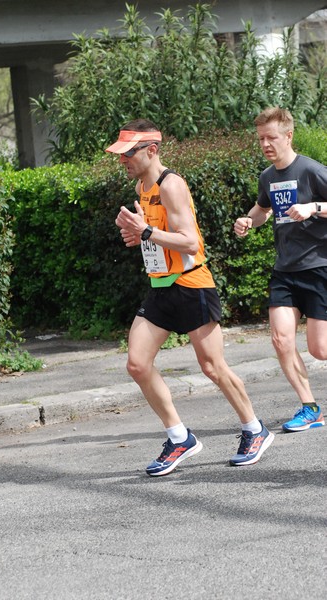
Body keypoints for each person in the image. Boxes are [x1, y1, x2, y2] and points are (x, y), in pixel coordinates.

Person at [106, 118, 274, 476]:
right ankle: (179, 437)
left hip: (192, 283)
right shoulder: (142, 186)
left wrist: (147, 230)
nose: (123, 160)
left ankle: (255, 429)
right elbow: (159, 236)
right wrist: (141, 236)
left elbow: (191, 242)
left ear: (151, 150)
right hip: (161, 286)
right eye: (120, 154)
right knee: (137, 363)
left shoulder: (171, 185)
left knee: (212, 367)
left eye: (128, 153)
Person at [234, 106, 327, 433]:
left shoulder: (312, 171)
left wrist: (313, 207)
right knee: (281, 339)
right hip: (285, 270)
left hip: (319, 268)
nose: (265, 144)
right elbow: (262, 210)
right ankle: (310, 407)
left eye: (271, 137)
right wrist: (248, 220)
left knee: (320, 349)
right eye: (261, 139)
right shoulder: (267, 177)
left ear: (288, 136)